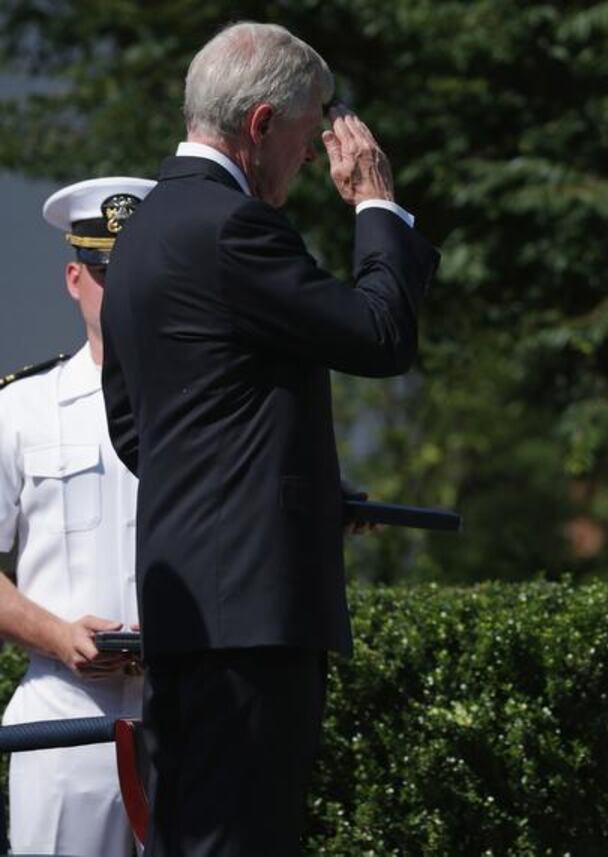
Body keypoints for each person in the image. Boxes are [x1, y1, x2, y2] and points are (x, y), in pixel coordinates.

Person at [99, 21, 440, 855]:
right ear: (260, 125)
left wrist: (291, 491)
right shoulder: (234, 227)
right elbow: (379, 333)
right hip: (252, 618)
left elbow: (139, 430)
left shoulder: (138, 233)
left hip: (187, 613)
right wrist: (375, 203)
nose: (315, 154)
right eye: (308, 131)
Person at [0, 176, 154, 857]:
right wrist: (59, 636)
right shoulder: (19, 409)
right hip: (63, 717)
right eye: (103, 275)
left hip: (182, 711)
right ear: (73, 279)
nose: (119, 294)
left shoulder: (209, 409)